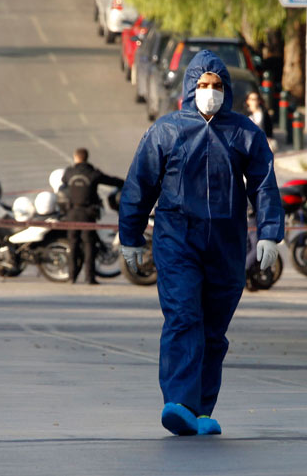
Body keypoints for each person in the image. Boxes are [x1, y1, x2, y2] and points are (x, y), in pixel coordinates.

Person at [118, 51, 284, 436]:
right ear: (191, 87)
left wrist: (269, 232)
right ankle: (178, 402)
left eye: (217, 85)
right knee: (183, 315)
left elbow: (263, 184)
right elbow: (139, 185)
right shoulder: (166, 131)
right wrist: (131, 237)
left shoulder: (245, 132)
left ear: (227, 89)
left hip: (227, 241)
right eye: (204, 85)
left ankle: (201, 409)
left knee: (213, 327)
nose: (210, 92)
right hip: (177, 237)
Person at [62, 148, 123, 284]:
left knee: (73, 245)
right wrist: (126, 182)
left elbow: (63, 181)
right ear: (86, 157)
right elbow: (111, 180)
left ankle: (72, 277)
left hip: (72, 213)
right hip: (87, 214)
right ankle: (89, 277)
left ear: (75, 157)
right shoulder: (92, 173)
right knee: (89, 245)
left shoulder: (69, 172)